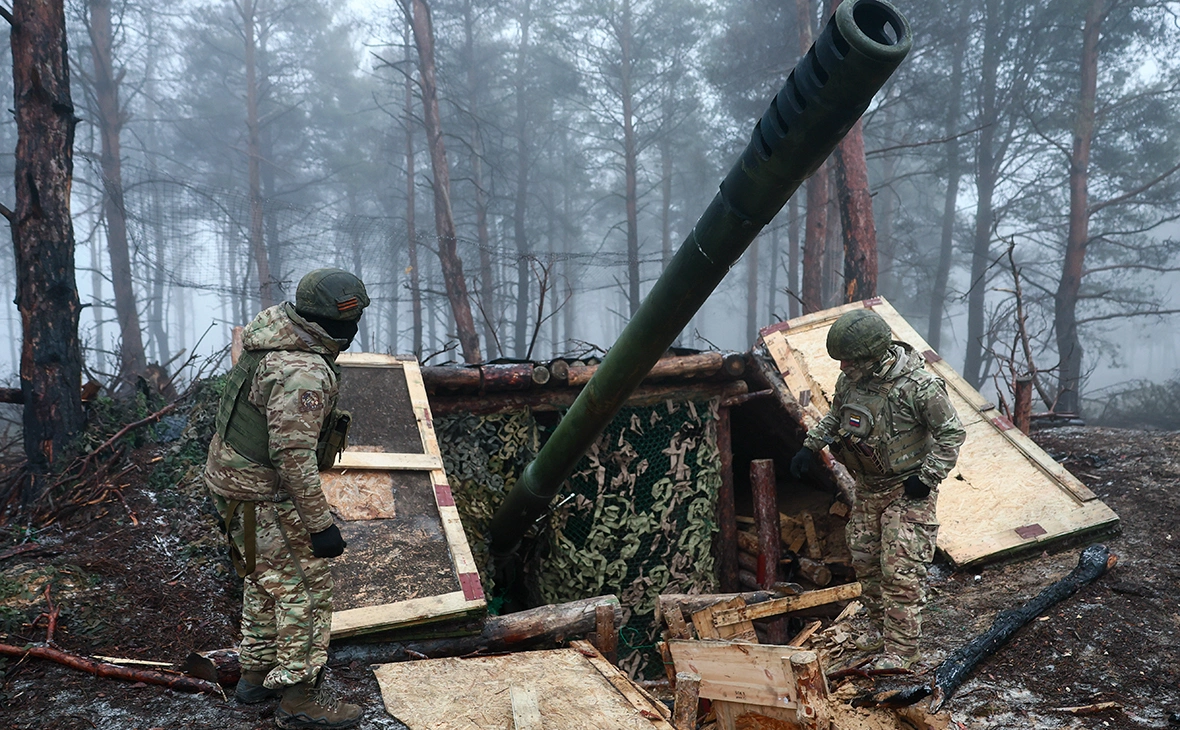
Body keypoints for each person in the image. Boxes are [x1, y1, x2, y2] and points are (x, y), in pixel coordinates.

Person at [204, 268, 369, 729]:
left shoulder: (275, 339)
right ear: (330, 322)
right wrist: (321, 526)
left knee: (264, 581)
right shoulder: (301, 370)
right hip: (261, 493)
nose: (353, 331)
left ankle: (255, 675)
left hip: (234, 487)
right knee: (306, 590)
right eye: (350, 321)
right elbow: (292, 457)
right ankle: (299, 697)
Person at [789, 308, 965, 670]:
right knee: (867, 563)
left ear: (873, 355)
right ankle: (876, 633)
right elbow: (837, 417)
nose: (842, 368)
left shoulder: (919, 386)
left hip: (908, 488)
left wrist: (928, 477)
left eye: (848, 360)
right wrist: (811, 446)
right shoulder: (853, 382)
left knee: (900, 569)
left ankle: (902, 653)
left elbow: (952, 433)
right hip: (869, 487)